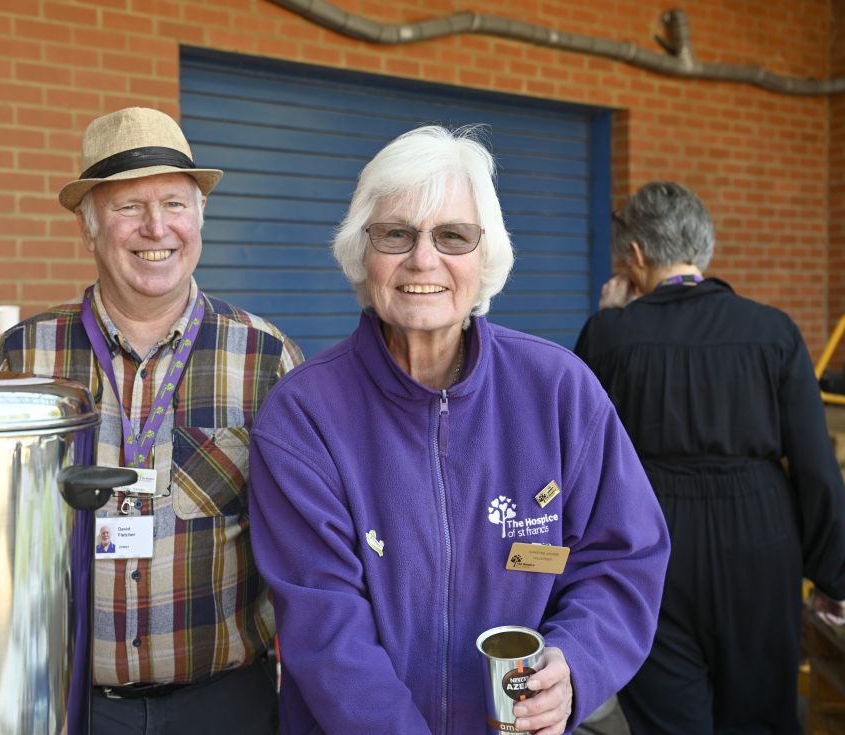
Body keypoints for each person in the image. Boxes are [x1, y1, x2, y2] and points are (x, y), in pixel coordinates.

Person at [246, 125, 671, 734]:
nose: (424, 259)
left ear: (484, 256)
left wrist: (576, 664)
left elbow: (623, 556)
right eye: (396, 234)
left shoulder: (559, 391)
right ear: (362, 255)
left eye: (452, 236)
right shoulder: (304, 416)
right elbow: (326, 627)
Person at [0, 107, 303, 734]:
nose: (156, 227)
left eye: (175, 204)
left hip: (224, 705)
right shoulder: (25, 359)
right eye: (129, 206)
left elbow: (306, 537)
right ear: (90, 226)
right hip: (66, 699)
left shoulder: (267, 357)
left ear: (200, 218)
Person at [574, 181, 845, 734]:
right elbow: (815, 463)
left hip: (653, 541)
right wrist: (835, 576)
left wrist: (609, 318)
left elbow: (580, 454)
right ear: (702, 248)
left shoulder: (610, 334)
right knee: (763, 717)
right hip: (761, 540)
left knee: (669, 720)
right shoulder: (773, 330)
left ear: (635, 255)